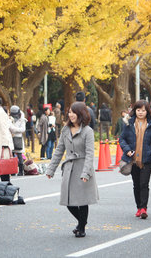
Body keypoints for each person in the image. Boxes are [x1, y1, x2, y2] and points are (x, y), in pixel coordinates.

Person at [46, 102, 98, 238]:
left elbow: (89, 154)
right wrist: (51, 169)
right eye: (69, 112)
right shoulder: (65, 129)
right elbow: (59, 150)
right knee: (68, 201)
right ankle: (82, 222)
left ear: (81, 113)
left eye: (73, 112)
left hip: (82, 168)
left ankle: (81, 228)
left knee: (82, 200)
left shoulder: (88, 131)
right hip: (69, 169)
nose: (71, 115)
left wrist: (86, 172)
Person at [119, 100, 151, 219]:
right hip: (132, 159)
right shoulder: (128, 124)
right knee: (136, 184)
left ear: (148, 111)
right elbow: (122, 139)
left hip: (147, 159)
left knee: (144, 184)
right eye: (138, 110)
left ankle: (143, 208)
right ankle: (138, 207)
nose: (141, 112)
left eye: (143, 110)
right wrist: (127, 150)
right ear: (134, 111)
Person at [9, 105, 27, 176]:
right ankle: (13, 171)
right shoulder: (10, 118)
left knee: (19, 155)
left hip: (18, 139)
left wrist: (13, 129)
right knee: (12, 155)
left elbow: (23, 129)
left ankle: (21, 171)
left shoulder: (22, 119)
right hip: (11, 138)